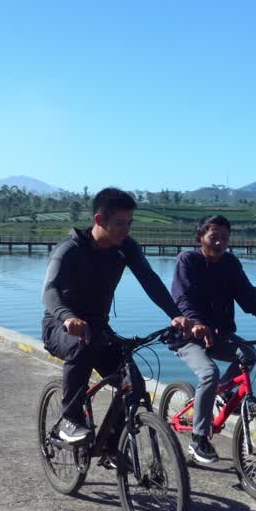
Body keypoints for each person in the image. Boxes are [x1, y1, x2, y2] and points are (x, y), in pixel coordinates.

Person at [41, 188, 207, 443]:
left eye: (130, 223)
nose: (126, 229)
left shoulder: (126, 248)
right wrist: (67, 317)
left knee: (134, 386)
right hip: (60, 325)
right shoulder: (70, 248)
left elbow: (150, 281)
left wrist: (176, 315)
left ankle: (110, 446)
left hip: (99, 327)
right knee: (82, 346)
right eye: (120, 223)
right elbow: (49, 290)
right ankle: (70, 420)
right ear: (99, 220)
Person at [170, 215, 256, 464]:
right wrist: (196, 323)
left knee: (248, 355)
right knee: (209, 373)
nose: (220, 243)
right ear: (200, 237)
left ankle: (221, 396)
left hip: (220, 335)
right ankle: (199, 439)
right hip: (188, 337)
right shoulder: (187, 260)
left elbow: (249, 296)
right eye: (214, 237)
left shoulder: (230, 263)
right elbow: (182, 298)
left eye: (225, 238)